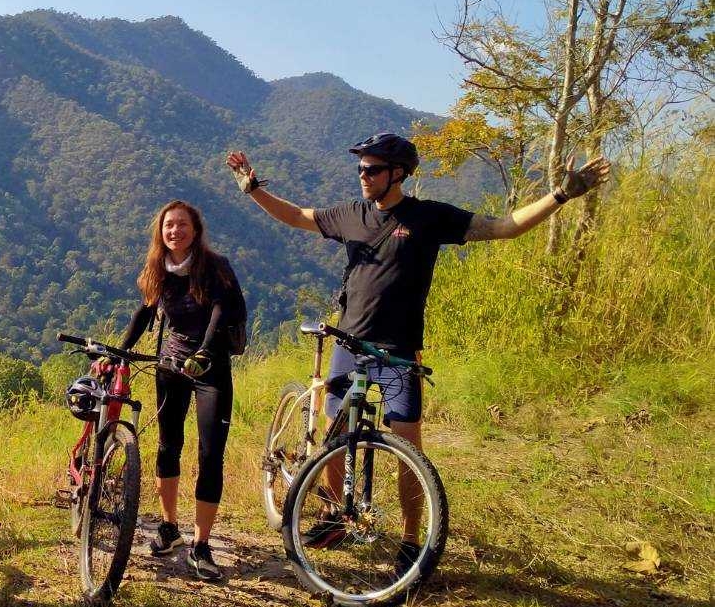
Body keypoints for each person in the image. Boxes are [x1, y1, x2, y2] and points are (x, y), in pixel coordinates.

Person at [226, 134, 610, 570]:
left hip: (398, 349)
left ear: (398, 174)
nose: (363, 177)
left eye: (371, 170)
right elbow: (296, 216)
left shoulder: (429, 217)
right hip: (349, 341)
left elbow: (506, 227)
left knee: (408, 443)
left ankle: (410, 538)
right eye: (361, 169)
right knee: (335, 428)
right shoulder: (352, 215)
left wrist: (561, 194)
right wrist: (252, 188)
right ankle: (335, 513)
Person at [117, 200, 247, 580]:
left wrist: (206, 350)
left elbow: (225, 310)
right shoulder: (159, 268)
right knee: (167, 446)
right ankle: (170, 528)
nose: (175, 231)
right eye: (168, 226)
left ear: (196, 229)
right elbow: (144, 310)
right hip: (170, 365)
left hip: (211, 368)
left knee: (210, 453)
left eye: (182, 225)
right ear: (160, 231)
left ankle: (202, 545)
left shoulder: (215, 266)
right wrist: (121, 351)